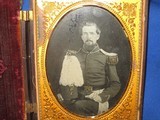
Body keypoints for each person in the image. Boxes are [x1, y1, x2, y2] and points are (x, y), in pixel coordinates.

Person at [58, 22, 121, 116]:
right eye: (85, 33)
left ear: (98, 36)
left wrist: (101, 97)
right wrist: (60, 92)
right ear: (82, 36)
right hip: (77, 97)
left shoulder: (106, 57)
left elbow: (115, 84)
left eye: (92, 33)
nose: (88, 37)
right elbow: (65, 79)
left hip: (97, 99)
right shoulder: (73, 57)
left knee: (77, 106)